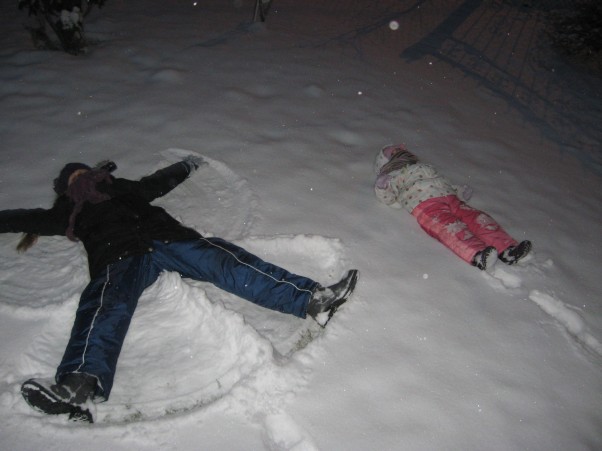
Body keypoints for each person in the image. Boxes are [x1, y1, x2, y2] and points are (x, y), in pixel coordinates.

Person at [0, 156, 359, 423]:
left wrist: (186, 166)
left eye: (82, 172)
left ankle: (312, 300)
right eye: (73, 177)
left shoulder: (122, 187)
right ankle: (78, 388)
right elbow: (23, 218)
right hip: (118, 256)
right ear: (65, 188)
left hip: (167, 238)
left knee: (225, 262)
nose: (81, 179)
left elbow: (159, 182)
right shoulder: (69, 212)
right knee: (104, 306)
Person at [374, 144, 531, 271]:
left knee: (479, 219)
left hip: (452, 199)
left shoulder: (424, 167)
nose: (400, 150)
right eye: (393, 152)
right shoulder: (394, 176)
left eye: (400, 149)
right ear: (387, 163)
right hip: (427, 206)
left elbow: (441, 183)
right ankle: (477, 254)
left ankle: (508, 249)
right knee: (451, 228)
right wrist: (382, 186)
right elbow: (389, 198)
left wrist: (459, 191)